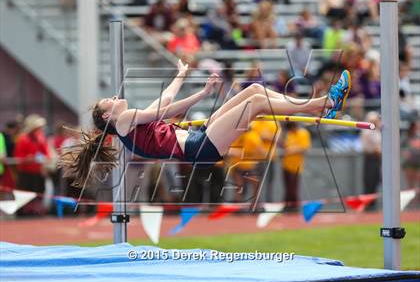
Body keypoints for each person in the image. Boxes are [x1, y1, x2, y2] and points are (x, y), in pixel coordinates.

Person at [60, 59, 351, 188]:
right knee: (255, 104)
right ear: (107, 116)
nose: (112, 97)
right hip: (200, 147)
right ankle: (323, 104)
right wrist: (199, 92)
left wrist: (184, 78)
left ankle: (322, 107)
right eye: (106, 101)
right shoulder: (124, 121)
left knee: (253, 92)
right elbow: (164, 108)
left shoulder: (130, 124)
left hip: (199, 136)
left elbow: (165, 100)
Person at [14, 114, 52, 216]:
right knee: (24, 193)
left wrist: (42, 159)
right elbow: (19, 156)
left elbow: (47, 155)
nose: (40, 129)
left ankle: (35, 211)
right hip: (25, 172)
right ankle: (23, 212)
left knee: (39, 192)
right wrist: (28, 158)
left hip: (38, 172)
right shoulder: (23, 139)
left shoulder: (41, 138)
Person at [360, 111, 381, 211]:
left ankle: (372, 204)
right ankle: (369, 205)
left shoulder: (375, 131)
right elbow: (376, 148)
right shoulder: (369, 131)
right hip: (371, 157)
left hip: (375, 158)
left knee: (375, 181)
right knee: (370, 181)